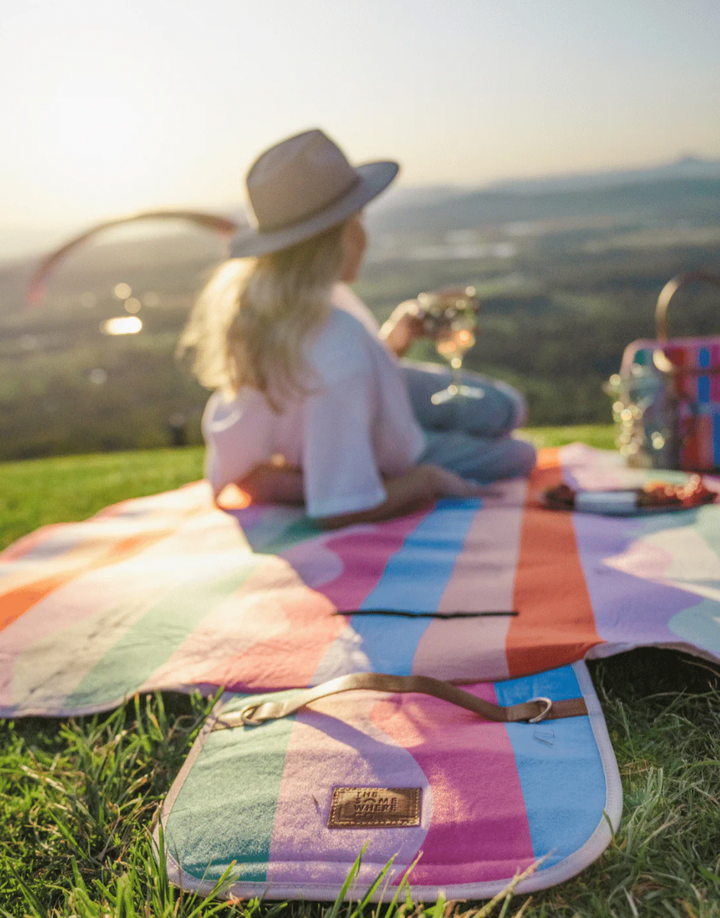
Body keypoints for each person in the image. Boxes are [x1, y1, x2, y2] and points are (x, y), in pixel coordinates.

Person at [180, 129, 535, 529]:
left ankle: (312, 471)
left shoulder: (275, 305)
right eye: (358, 218)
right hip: (368, 440)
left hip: (347, 412)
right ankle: (325, 473)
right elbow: (343, 509)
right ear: (341, 235)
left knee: (503, 408)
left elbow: (319, 390)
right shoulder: (338, 342)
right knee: (518, 453)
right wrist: (426, 481)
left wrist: (394, 340)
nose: (365, 234)